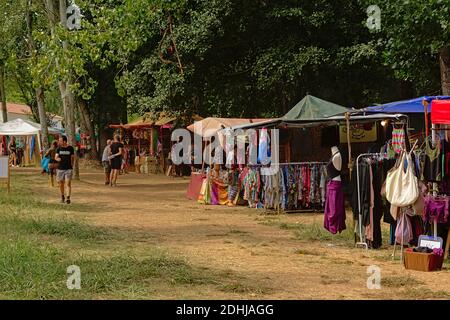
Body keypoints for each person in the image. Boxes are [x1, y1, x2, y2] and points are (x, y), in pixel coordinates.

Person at [55, 136, 75, 204]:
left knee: (68, 183)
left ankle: (68, 198)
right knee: (61, 184)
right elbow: (56, 157)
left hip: (68, 169)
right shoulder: (58, 148)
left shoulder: (70, 148)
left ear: (64, 141)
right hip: (60, 169)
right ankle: (62, 196)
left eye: (60, 141)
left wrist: (72, 165)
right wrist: (58, 159)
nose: (59, 142)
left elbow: (72, 157)